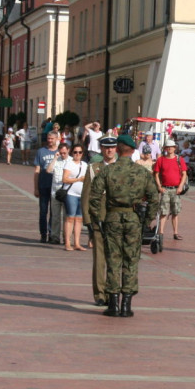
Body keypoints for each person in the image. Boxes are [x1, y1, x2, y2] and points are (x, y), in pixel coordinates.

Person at [88, 134, 159, 317]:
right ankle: (126, 304)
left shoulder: (108, 171)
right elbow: (153, 198)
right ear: (133, 150)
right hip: (133, 219)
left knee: (113, 260)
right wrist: (145, 221)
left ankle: (113, 304)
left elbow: (94, 197)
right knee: (131, 260)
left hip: (112, 218)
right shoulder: (142, 172)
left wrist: (98, 219)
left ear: (117, 150)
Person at [82, 136, 119, 306]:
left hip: (118, 220)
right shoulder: (93, 169)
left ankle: (113, 291)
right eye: (106, 148)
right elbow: (86, 196)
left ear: (116, 149)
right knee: (99, 258)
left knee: (116, 258)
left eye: (112, 148)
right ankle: (100, 294)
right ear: (101, 149)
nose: (109, 150)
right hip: (99, 219)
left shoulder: (122, 168)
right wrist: (88, 221)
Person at [154, 138, 189, 241]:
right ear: (165, 148)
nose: (169, 149)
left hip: (175, 189)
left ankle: (175, 233)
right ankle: (160, 233)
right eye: (167, 147)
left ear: (175, 148)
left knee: (175, 212)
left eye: (171, 147)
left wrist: (180, 186)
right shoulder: (161, 160)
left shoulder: (179, 159)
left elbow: (184, 174)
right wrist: (159, 186)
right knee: (163, 212)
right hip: (165, 188)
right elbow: (156, 174)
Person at [34, 131, 61, 243]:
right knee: (43, 211)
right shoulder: (41, 152)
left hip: (56, 186)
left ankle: (52, 233)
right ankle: (43, 233)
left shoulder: (60, 152)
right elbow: (37, 170)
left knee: (54, 212)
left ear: (57, 139)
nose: (50, 141)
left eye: (52, 139)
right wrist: (36, 187)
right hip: (43, 185)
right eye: (48, 138)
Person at [62, 144, 89, 250]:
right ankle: (67, 243)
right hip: (71, 194)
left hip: (81, 194)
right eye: (75, 152)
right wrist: (78, 179)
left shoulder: (85, 164)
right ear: (72, 153)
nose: (77, 154)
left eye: (80, 152)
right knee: (70, 218)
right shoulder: (69, 164)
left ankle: (77, 243)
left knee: (79, 219)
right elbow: (65, 179)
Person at [49, 142, 71, 244]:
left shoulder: (72, 161)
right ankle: (54, 237)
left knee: (67, 217)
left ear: (68, 151)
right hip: (55, 192)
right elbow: (48, 170)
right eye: (61, 153)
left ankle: (67, 238)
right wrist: (54, 158)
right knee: (55, 216)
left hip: (67, 193)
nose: (63, 155)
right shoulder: (56, 161)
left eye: (64, 153)